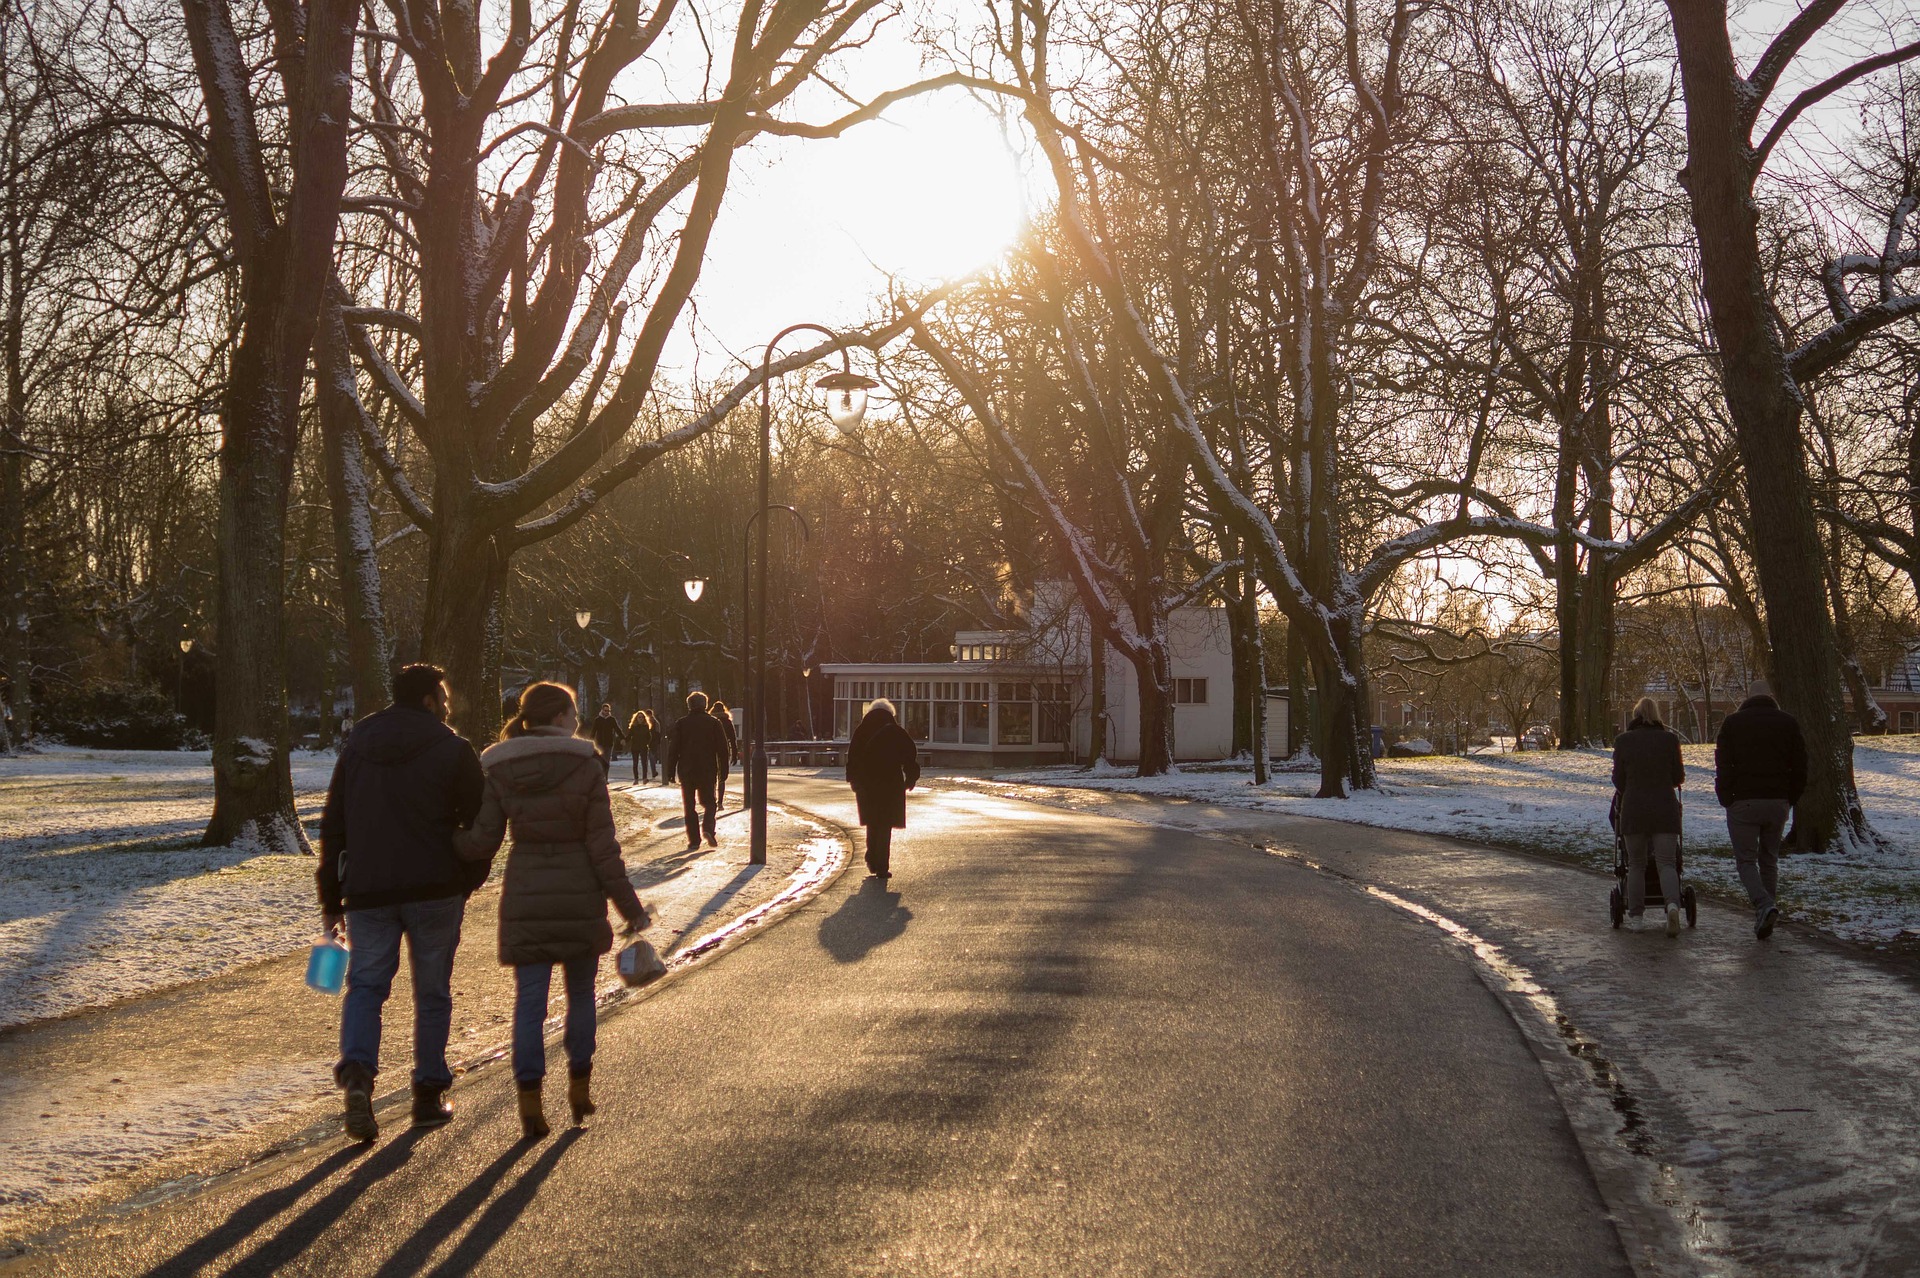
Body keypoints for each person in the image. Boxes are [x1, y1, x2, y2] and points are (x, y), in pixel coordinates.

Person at [455, 682, 648, 1139]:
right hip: (579, 893)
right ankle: (579, 1088)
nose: (578, 720)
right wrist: (630, 907)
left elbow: (482, 839)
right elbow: (604, 848)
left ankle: (529, 1100)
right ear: (560, 717)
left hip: (525, 892)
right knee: (581, 995)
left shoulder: (502, 767)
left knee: (529, 1002)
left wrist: (444, 842)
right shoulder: (586, 766)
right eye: (574, 712)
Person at [317, 663, 486, 1142]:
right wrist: (468, 877)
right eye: (444, 696)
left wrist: (332, 895)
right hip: (435, 887)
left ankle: (356, 1076)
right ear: (430, 699)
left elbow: (334, 823)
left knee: (366, 986)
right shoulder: (453, 749)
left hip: (368, 890)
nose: (449, 704)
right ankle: (428, 1095)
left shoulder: (357, 748)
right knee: (432, 993)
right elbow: (481, 823)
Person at [1715, 680, 1808, 939]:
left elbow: (1723, 764)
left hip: (1743, 801)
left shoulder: (1732, 724)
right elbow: (1800, 764)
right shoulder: (1788, 723)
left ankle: (1764, 905)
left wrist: (1726, 797)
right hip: (1777, 802)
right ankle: (1767, 911)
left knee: (1746, 860)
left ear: (1747, 698)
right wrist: (1791, 797)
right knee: (1769, 859)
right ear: (1770, 697)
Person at [1612, 697, 1686, 938]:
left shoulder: (1623, 741)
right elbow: (1678, 777)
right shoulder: (1669, 740)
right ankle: (1673, 905)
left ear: (1635, 716)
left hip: (1634, 810)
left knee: (1636, 865)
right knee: (1666, 862)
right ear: (1657, 715)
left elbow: (1618, 780)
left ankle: (1636, 918)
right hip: (1664, 808)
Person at [845, 698, 921, 880]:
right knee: (885, 824)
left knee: (872, 821)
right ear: (890, 713)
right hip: (890, 783)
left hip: (867, 783)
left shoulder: (861, 731)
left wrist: (854, 780)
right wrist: (910, 779)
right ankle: (882, 866)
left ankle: (872, 856)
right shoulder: (896, 731)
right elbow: (910, 755)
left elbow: (853, 756)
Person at [664, 691, 731, 850]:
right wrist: (724, 771)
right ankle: (708, 828)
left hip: (686, 769)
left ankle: (694, 841)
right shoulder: (714, 722)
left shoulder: (681, 723)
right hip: (707, 769)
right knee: (709, 803)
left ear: (689, 705)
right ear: (705, 705)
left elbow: (674, 749)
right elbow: (722, 749)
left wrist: (670, 771)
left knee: (689, 805)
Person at [711, 699, 739, 808]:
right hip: (723, 750)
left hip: (710, 750)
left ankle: (713, 798)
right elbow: (733, 739)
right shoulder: (727, 722)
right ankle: (720, 802)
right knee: (722, 776)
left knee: (712, 775)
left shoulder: (710, 720)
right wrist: (735, 754)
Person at [589, 702, 619, 777]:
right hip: (600, 743)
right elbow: (593, 731)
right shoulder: (598, 720)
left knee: (607, 761)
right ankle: (601, 777)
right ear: (602, 710)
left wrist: (623, 738)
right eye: (605, 710)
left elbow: (617, 729)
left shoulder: (612, 719)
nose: (606, 712)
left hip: (609, 743)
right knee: (601, 761)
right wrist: (590, 741)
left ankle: (606, 777)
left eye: (608, 711)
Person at [625, 707, 655, 784]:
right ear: (636, 718)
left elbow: (649, 736)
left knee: (644, 763)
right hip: (635, 747)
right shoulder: (633, 727)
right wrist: (624, 740)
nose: (640, 719)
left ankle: (644, 778)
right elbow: (629, 736)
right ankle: (636, 779)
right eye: (639, 717)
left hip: (643, 747)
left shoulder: (646, 726)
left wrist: (647, 743)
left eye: (642, 717)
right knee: (635, 763)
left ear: (644, 718)